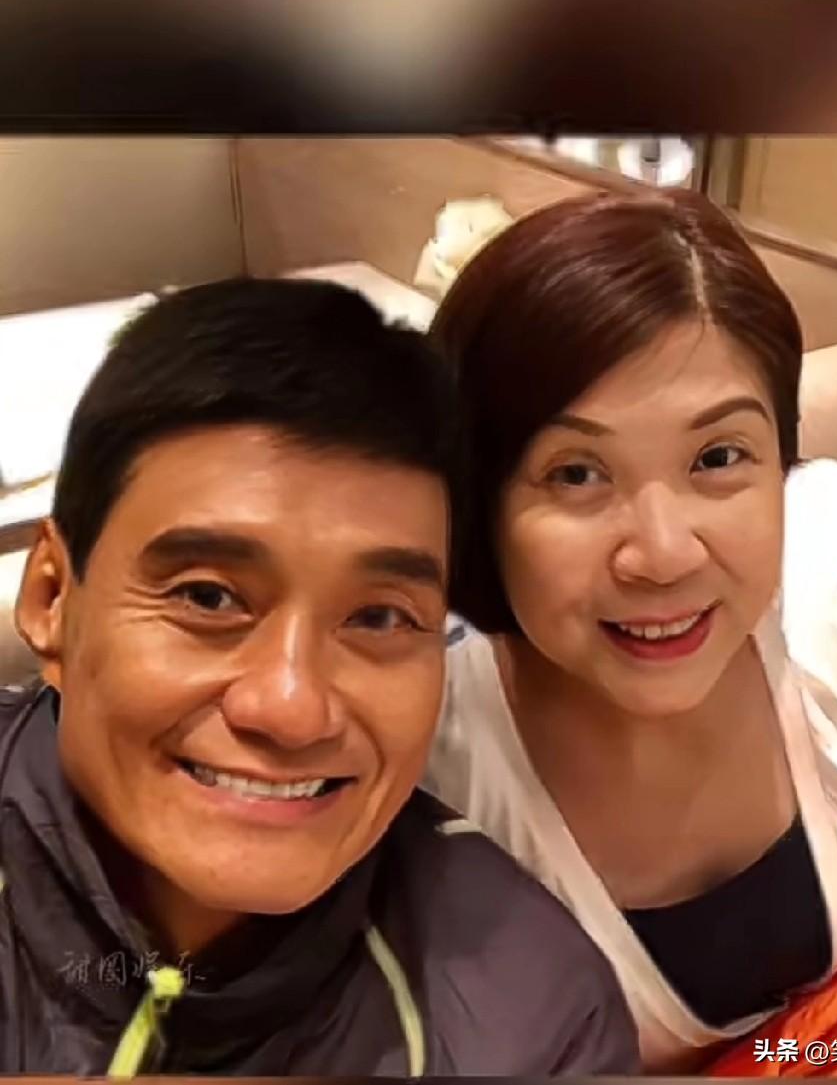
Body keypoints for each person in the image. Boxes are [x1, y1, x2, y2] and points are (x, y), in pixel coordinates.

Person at [3, 277, 639, 1076]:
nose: (292, 706)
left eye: (378, 617)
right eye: (208, 597)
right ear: (52, 598)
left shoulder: (537, 1022)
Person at [425, 190, 837, 1073]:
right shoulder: (433, 762)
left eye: (718, 456)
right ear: (477, 501)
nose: (662, 554)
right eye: (576, 473)